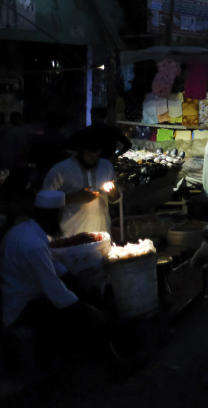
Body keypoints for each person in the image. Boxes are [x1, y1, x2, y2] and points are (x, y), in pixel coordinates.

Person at [0, 189, 105, 371]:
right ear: (53, 215)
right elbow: (57, 294)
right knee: (82, 315)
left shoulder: (29, 230)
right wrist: (88, 309)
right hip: (20, 306)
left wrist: (80, 284)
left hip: (27, 295)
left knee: (87, 294)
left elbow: (55, 267)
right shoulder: (32, 244)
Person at [42, 132, 120, 236]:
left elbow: (116, 197)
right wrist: (73, 198)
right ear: (79, 150)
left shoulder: (106, 166)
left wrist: (114, 195)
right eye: (89, 154)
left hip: (101, 232)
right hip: (71, 234)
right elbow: (44, 201)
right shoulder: (60, 170)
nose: (93, 158)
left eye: (96, 154)